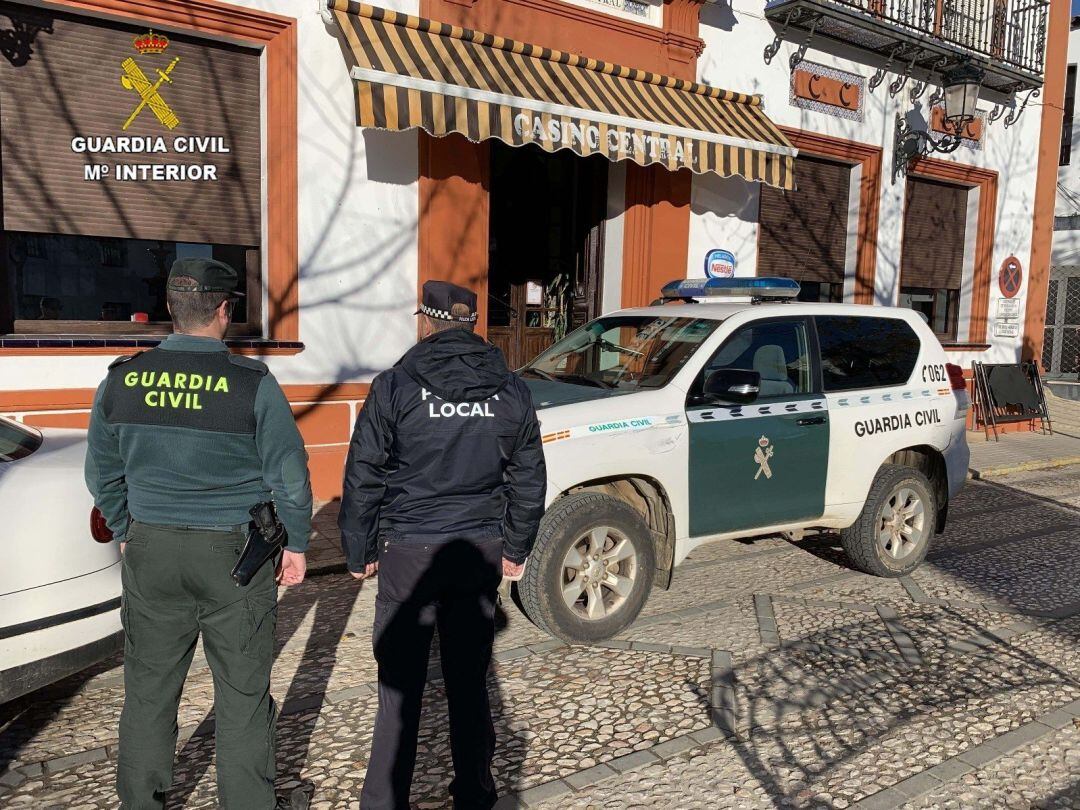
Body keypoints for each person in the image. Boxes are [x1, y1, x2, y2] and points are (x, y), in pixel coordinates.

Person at [85, 257, 313, 810]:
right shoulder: (251, 383)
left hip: (151, 548)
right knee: (241, 695)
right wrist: (299, 544)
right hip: (235, 556)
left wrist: (124, 527)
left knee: (147, 693)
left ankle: (141, 802)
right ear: (224, 310)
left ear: (169, 307)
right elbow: (291, 478)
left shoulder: (122, 379)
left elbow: (101, 472)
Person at [340, 280, 546, 810]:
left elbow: (363, 473)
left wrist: (359, 549)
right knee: (469, 686)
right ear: (471, 323)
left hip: (408, 550)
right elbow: (528, 479)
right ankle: (475, 796)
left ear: (425, 322)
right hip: (478, 550)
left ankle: (384, 802)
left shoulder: (395, 386)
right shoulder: (512, 389)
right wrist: (516, 548)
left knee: (398, 692)